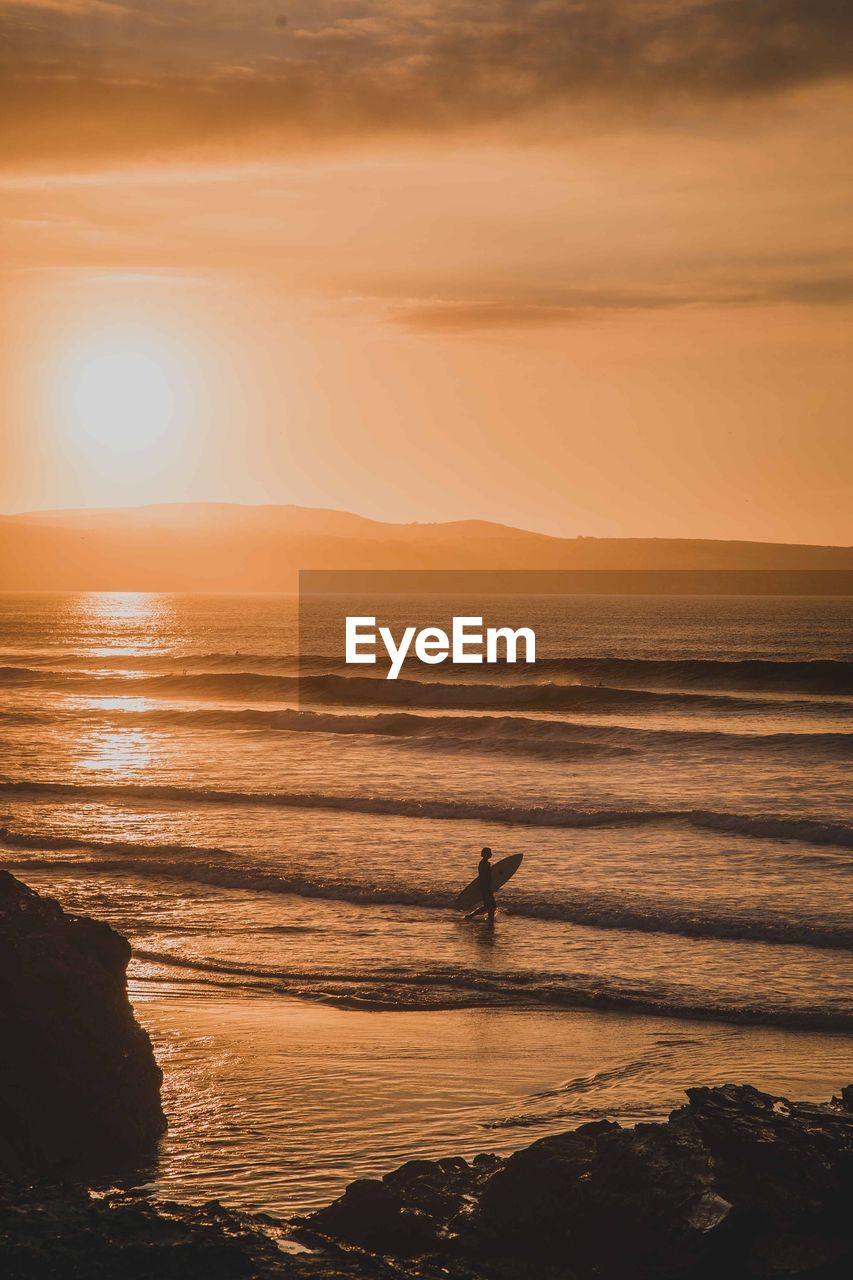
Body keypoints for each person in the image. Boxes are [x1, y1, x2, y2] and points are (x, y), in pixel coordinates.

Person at [465, 846, 497, 924]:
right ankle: (471, 916)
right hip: (485, 887)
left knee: (491, 906)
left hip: (486, 887)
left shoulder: (484, 863)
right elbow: (484, 877)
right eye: (489, 853)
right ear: (486, 854)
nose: (491, 854)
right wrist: (487, 888)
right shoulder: (484, 864)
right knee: (489, 906)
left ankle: (490, 918)